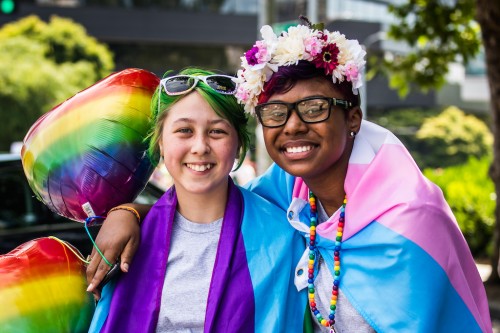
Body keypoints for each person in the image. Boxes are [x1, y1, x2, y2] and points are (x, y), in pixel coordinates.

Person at [87, 19, 492, 332]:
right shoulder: (288, 193)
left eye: (314, 108)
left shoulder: (410, 220)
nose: (293, 127)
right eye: (277, 114)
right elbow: (207, 206)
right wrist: (129, 212)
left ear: (353, 117)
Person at [87, 68, 308, 332]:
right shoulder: (127, 244)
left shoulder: (285, 237)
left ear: (238, 144)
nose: (200, 147)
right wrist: (124, 212)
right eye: (184, 130)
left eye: (217, 132)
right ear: (160, 143)